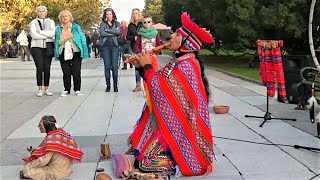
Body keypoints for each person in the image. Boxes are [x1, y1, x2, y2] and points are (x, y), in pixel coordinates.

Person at [125, 12, 215, 177]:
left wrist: (147, 67)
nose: (171, 36)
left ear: (185, 43)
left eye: (176, 34)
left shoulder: (188, 65)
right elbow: (159, 83)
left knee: (145, 164)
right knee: (139, 158)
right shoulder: (180, 62)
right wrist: (140, 65)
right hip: (171, 124)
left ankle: (175, 162)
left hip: (181, 130)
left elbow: (160, 90)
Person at [20, 116, 83, 180]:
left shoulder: (51, 141)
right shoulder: (61, 133)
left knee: (27, 170)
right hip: (67, 168)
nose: (38, 126)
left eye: (40, 124)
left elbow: (43, 161)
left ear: (47, 126)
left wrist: (30, 165)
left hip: (58, 172)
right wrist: (34, 151)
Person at [54, 10, 89, 97]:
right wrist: (67, 38)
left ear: (70, 17)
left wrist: (84, 51)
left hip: (75, 52)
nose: (65, 18)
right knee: (66, 72)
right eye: (63, 16)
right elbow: (58, 42)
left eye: (66, 16)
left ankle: (77, 89)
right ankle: (66, 89)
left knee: (76, 71)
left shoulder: (76, 27)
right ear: (61, 18)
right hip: (63, 52)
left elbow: (81, 38)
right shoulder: (58, 29)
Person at [30, 5, 55, 97]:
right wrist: (46, 35)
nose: (41, 13)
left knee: (47, 68)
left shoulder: (51, 22)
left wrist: (40, 32)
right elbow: (33, 35)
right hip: (36, 47)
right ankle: (40, 88)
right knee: (40, 67)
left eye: (43, 11)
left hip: (48, 46)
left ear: (46, 12)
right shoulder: (33, 22)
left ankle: (47, 88)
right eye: (39, 11)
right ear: (37, 12)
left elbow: (52, 33)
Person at [99, 8, 121, 92]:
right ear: (105, 15)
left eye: (110, 14)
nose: (108, 16)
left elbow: (118, 32)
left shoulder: (117, 23)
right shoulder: (102, 23)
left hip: (115, 46)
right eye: (107, 14)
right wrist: (113, 32)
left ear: (113, 14)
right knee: (107, 66)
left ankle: (115, 85)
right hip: (105, 47)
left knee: (114, 66)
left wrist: (107, 30)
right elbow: (102, 33)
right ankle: (108, 85)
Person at [127, 8, 143, 92]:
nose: (135, 15)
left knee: (145, 66)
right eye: (133, 13)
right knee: (137, 66)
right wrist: (134, 37)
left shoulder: (143, 23)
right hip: (134, 46)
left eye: (136, 13)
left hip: (143, 47)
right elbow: (127, 37)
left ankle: (148, 84)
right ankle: (138, 85)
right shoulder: (130, 25)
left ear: (139, 14)